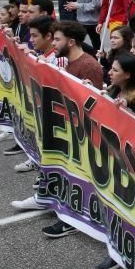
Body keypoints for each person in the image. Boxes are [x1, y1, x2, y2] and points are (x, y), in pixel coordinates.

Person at [41, 21, 105, 238]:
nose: (53, 42)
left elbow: (95, 107)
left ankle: (76, 219)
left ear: (71, 41)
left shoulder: (89, 66)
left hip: (83, 134)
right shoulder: (65, 61)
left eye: (57, 39)